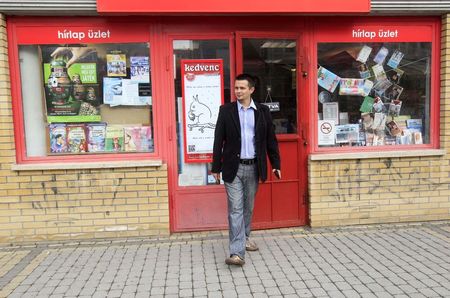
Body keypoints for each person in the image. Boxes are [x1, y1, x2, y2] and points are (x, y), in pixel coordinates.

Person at [212, 73, 281, 266]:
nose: (238, 91)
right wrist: (215, 167)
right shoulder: (226, 111)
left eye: (242, 88)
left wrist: (276, 164)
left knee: (248, 207)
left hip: (253, 167)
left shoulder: (263, 111)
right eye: (236, 88)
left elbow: (270, 140)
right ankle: (237, 252)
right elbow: (219, 140)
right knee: (235, 209)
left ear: (251, 90)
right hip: (232, 168)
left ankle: (246, 236)